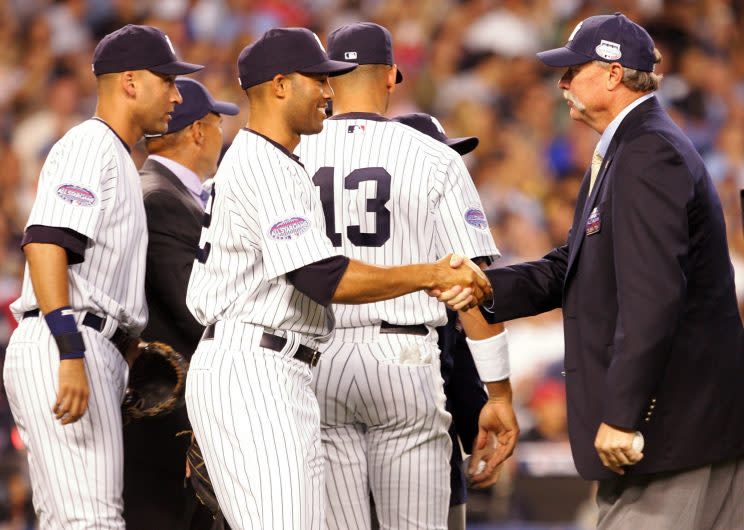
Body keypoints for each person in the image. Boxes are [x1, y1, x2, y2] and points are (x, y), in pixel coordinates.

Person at [438, 12, 744, 529]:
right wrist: (485, 284)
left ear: (612, 73)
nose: (561, 83)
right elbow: (575, 264)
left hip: (670, 429)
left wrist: (624, 415)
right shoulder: (630, 147)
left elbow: (654, 296)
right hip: (690, 426)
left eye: (572, 69)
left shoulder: (648, 152)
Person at [184, 27, 491, 530]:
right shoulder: (265, 163)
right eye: (318, 80)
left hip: (276, 363)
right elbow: (322, 278)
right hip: (253, 366)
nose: (330, 92)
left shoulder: (273, 160)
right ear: (280, 85)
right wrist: (429, 273)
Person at [296, 25, 516, 530]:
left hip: (312, 359)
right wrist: (499, 395)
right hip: (404, 355)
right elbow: (472, 290)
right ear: (393, 76)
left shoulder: (290, 156)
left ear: (327, 80)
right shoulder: (433, 155)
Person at [2, 24, 202, 529]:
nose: (177, 95)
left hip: (91, 342)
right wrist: (69, 349)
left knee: (71, 520)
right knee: (92, 521)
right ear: (130, 82)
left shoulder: (116, 155)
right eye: (169, 81)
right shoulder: (91, 145)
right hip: (68, 340)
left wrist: (128, 351)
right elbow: (46, 244)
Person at [390, 111, 517, 530]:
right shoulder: (401, 262)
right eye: (439, 160)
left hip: (433, 437)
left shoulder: (443, 258)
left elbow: (456, 353)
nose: (451, 173)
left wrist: (477, 423)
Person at [123, 78, 239, 530]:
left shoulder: (171, 194)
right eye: (217, 123)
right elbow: (195, 306)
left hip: (177, 403)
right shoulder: (159, 198)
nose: (220, 135)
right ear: (197, 131)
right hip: (170, 409)